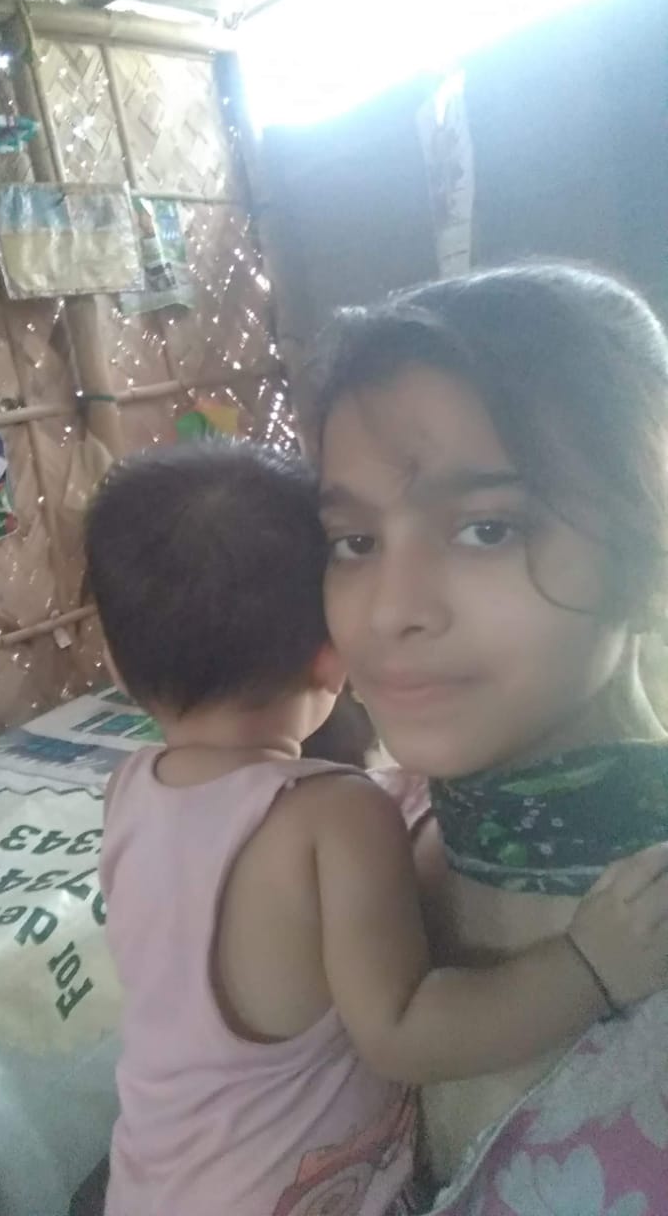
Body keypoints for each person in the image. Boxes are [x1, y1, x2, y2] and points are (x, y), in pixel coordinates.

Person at [84, 437, 668, 1216]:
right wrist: (588, 965)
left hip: (151, 1181)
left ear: (115, 665)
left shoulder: (129, 788)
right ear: (334, 657)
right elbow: (400, 1032)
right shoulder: (335, 815)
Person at [314, 262, 668, 1213]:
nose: (387, 611)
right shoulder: (386, 834)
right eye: (354, 542)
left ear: (645, 558)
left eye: (485, 529)